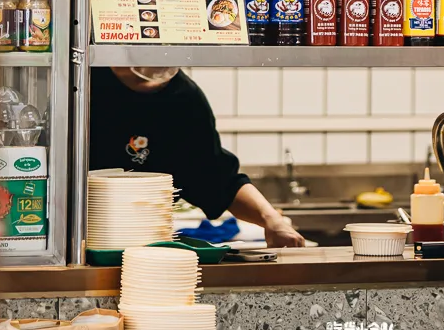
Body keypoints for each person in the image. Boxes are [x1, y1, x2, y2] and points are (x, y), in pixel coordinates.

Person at [89, 66, 304, 247]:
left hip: (148, 244)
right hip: (83, 239)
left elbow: (218, 178)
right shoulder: (85, 83)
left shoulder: (185, 98)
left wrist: (272, 220)